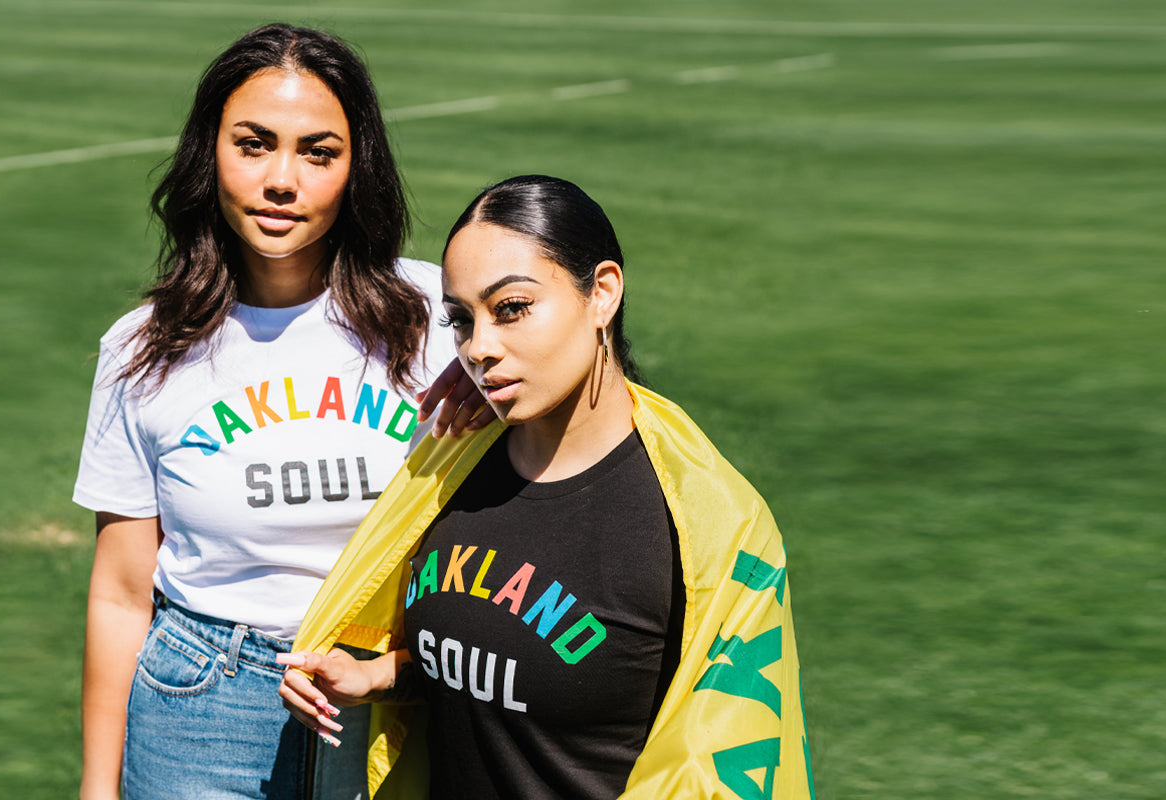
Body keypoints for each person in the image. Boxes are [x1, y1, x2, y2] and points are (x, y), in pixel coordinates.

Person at [277, 175, 814, 799]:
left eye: (512, 308)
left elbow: (722, 756)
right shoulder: (448, 470)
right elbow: (492, 662)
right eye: (461, 320)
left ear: (602, 293)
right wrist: (379, 677)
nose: (480, 348)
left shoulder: (698, 526)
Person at [72, 24, 488, 800]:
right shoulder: (141, 348)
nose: (282, 180)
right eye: (254, 144)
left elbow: (591, 405)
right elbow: (121, 593)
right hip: (202, 706)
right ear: (210, 154)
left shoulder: (445, 314)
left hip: (402, 696)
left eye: (318, 152)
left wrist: (500, 377)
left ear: (356, 168)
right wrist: (99, 789)